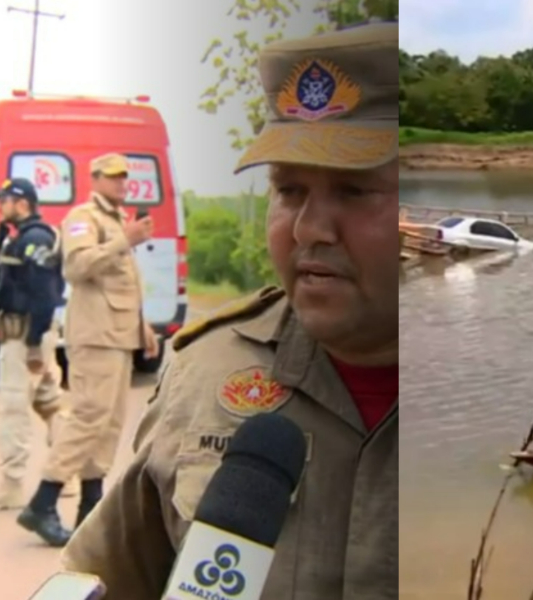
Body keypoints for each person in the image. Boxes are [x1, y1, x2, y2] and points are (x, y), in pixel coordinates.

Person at [58, 22, 399, 599]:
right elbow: (100, 579)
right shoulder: (207, 370)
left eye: (355, 191)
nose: (309, 228)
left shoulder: (496, 394)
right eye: (289, 191)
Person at [16, 153, 160, 546]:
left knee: (110, 422)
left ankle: (89, 510)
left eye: (124, 177)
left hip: (118, 334)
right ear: (94, 178)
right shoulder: (85, 217)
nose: (121, 183)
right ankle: (42, 502)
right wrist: (124, 240)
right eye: (112, 177)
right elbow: (76, 267)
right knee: (88, 416)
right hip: (95, 334)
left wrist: (142, 325)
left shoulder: (116, 219)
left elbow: (124, 281)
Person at [0, 178, 76, 512]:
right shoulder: (17, 237)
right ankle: (67, 472)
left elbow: (45, 296)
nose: (0, 206)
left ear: (23, 203)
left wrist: (31, 345)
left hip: (26, 336)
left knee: (14, 407)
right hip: (26, 334)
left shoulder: (36, 239)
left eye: (5, 200)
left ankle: (11, 485)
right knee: (49, 401)